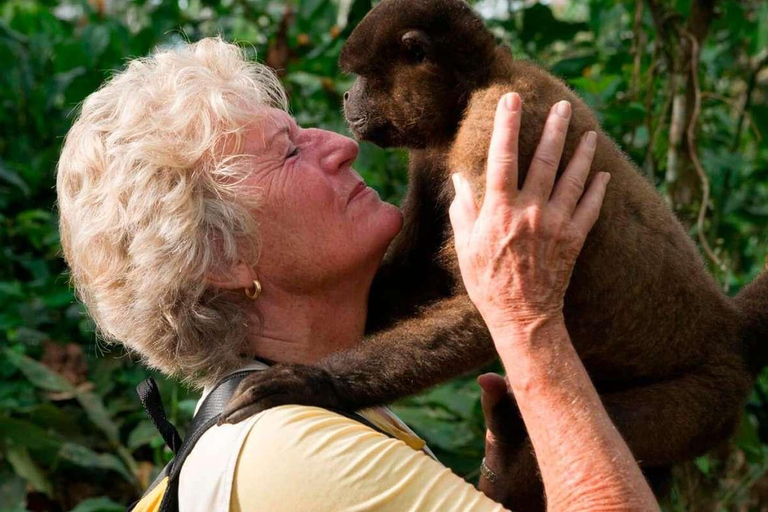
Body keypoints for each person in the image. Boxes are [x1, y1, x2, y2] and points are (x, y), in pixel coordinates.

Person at [56, 37, 658, 511]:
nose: (342, 145)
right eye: (290, 151)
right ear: (224, 258)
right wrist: (528, 320)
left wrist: (507, 484)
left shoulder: (310, 419)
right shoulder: (288, 452)